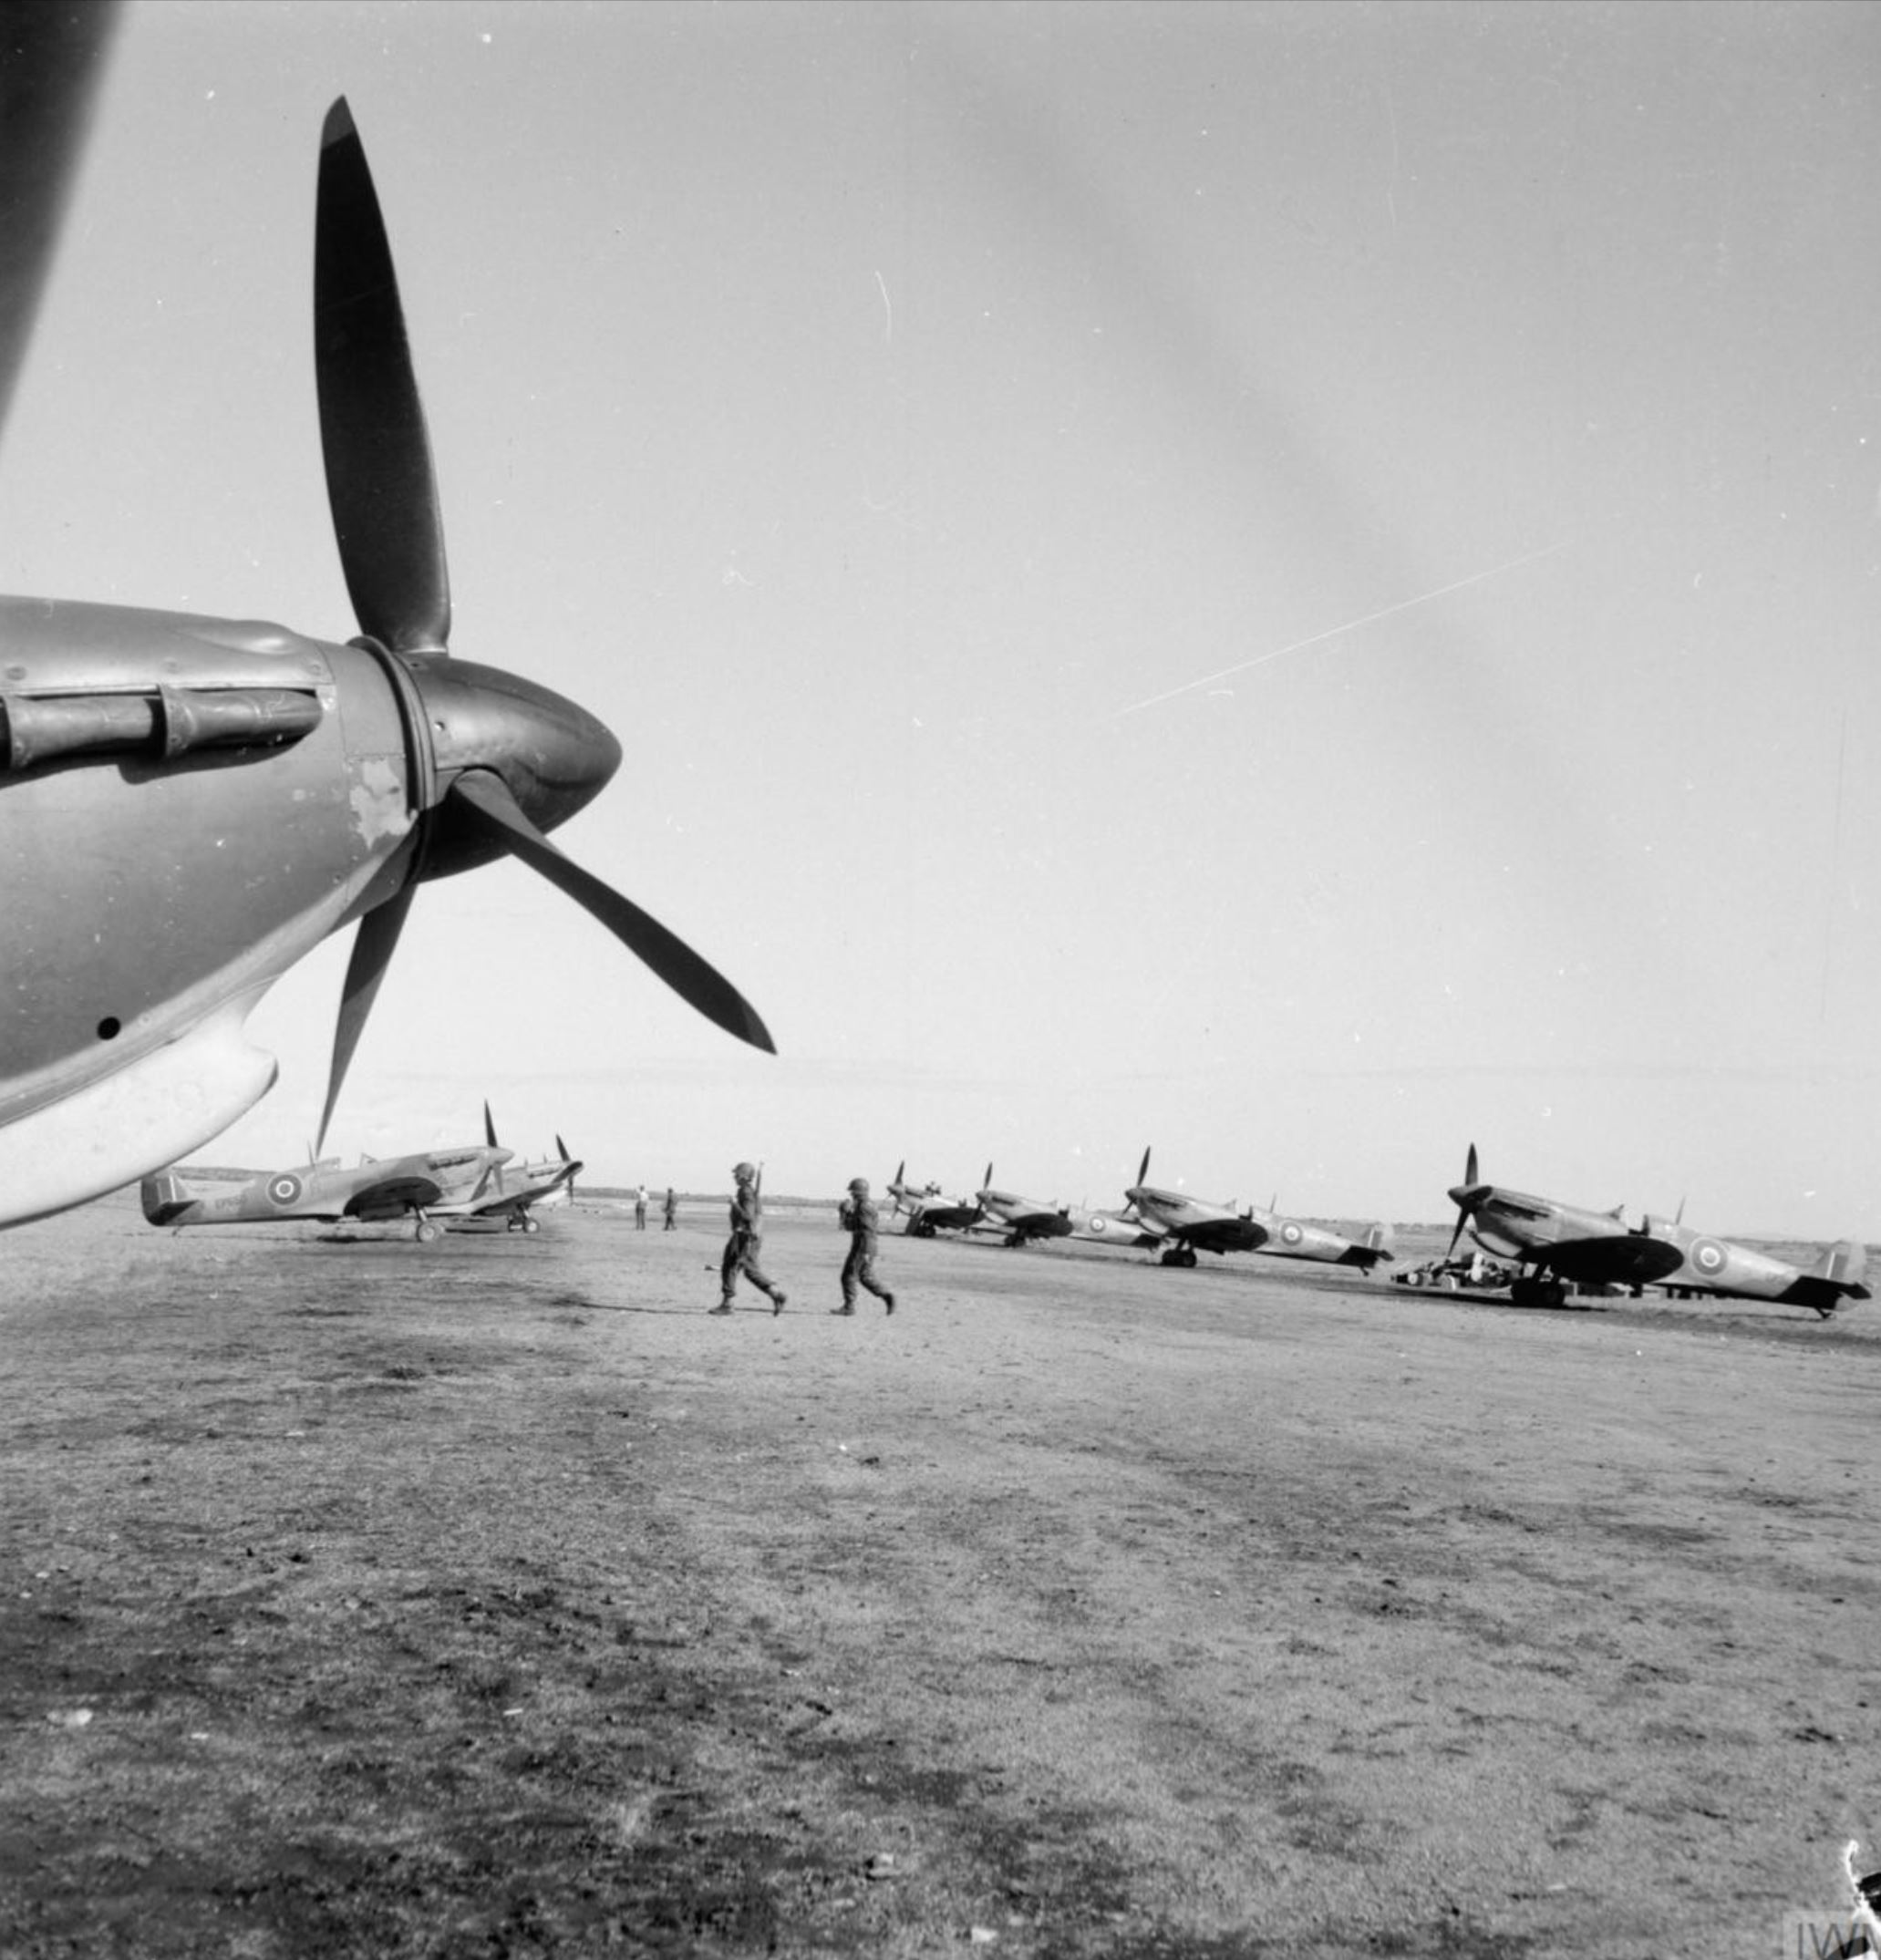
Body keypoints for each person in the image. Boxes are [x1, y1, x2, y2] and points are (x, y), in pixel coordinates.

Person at [713, 1161, 785, 1315]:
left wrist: (734, 1204)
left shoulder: (745, 1192)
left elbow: (748, 1216)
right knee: (748, 1270)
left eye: (737, 1174)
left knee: (730, 1267)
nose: (734, 1177)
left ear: (744, 1176)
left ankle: (727, 1304)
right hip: (750, 1237)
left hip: (743, 1236)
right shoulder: (748, 1191)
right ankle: (776, 1294)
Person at [834, 1177, 895, 1316]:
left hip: (863, 1246)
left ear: (859, 1192)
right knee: (865, 1277)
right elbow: (852, 1226)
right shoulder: (864, 1205)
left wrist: (845, 1214)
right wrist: (846, 1214)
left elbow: (865, 1229)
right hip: (866, 1246)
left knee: (848, 1275)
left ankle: (849, 1307)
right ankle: (887, 1296)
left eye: (853, 1192)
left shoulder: (864, 1207)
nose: (851, 1194)